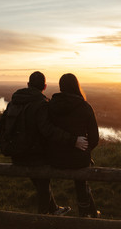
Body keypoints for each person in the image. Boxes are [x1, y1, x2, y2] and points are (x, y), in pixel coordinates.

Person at [0, 71, 88, 215]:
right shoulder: (42, 104)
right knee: (44, 186)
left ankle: (54, 210)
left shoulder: (14, 102)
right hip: (35, 156)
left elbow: (0, 127)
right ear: (44, 87)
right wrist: (73, 140)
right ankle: (42, 218)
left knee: (40, 184)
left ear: (28, 84)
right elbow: (48, 130)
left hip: (16, 154)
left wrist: (8, 145)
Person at [47, 73, 100, 218]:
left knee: (81, 173)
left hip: (55, 158)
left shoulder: (50, 105)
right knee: (81, 181)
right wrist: (85, 149)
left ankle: (92, 213)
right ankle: (84, 214)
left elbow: (48, 131)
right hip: (78, 159)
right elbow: (94, 138)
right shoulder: (84, 106)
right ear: (76, 86)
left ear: (61, 87)